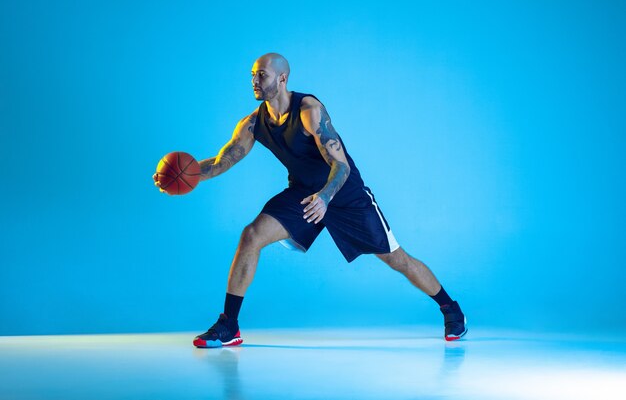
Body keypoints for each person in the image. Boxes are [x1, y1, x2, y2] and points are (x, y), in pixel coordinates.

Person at [153, 53, 467, 347]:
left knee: (396, 259)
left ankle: (451, 309)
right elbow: (223, 161)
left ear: (283, 78)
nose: (255, 81)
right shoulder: (252, 123)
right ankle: (229, 325)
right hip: (303, 193)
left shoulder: (309, 111)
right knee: (251, 235)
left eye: (262, 75)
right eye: (252, 75)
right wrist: (188, 175)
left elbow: (340, 165)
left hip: (343, 193)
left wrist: (326, 198)